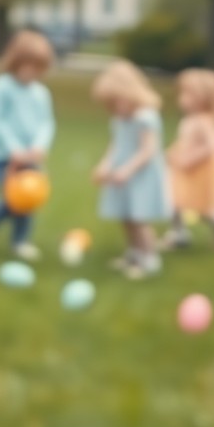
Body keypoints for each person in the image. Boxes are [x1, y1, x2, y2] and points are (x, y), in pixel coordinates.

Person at [0, 31, 56, 261]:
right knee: (13, 197)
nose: (32, 72)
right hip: (3, 155)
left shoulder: (40, 93)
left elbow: (46, 123)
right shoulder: (1, 87)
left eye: (38, 67)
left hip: (31, 156)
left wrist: (39, 146)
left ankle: (20, 242)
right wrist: (13, 148)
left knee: (30, 199)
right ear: (16, 61)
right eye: (29, 65)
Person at [91, 61, 171, 280]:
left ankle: (150, 258)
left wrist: (128, 169)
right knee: (125, 216)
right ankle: (134, 253)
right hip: (123, 175)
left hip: (141, 175)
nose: (116, 108)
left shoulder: (146, 116)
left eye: (118, 101)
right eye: (111, 104)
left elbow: (148, 150)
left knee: (139, 218)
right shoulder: (119, 119)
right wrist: (104, 166)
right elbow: (116, 146)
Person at [161, 68, 214, 250]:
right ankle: (178, 233)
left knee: (203, 207)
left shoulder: (205, 121)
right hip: (183, 169)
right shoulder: (190, 119)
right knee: (174, 201)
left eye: (188, 93)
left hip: (201, 171)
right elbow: (184, 143)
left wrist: (189, 158)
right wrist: (173, 153)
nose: (182, 98)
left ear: (205, 97)